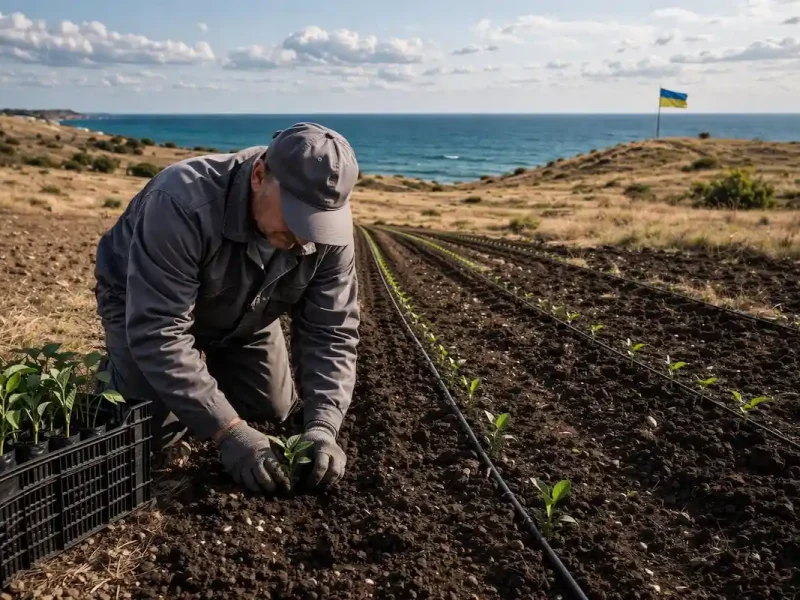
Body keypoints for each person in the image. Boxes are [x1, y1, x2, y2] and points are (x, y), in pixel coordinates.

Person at [93, 122, 360, 494]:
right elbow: (159, 330)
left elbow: (330, 331)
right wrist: (229, 432)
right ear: (259, 175)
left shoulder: (327, 235)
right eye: (296, 216)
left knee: (271, 409)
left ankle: (203, 370)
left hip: (247, 311)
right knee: (152, 432)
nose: (304, 237)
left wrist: (323, 424)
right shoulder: (181, 201)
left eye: (317, 222)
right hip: (142, 303)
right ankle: (119, 372)